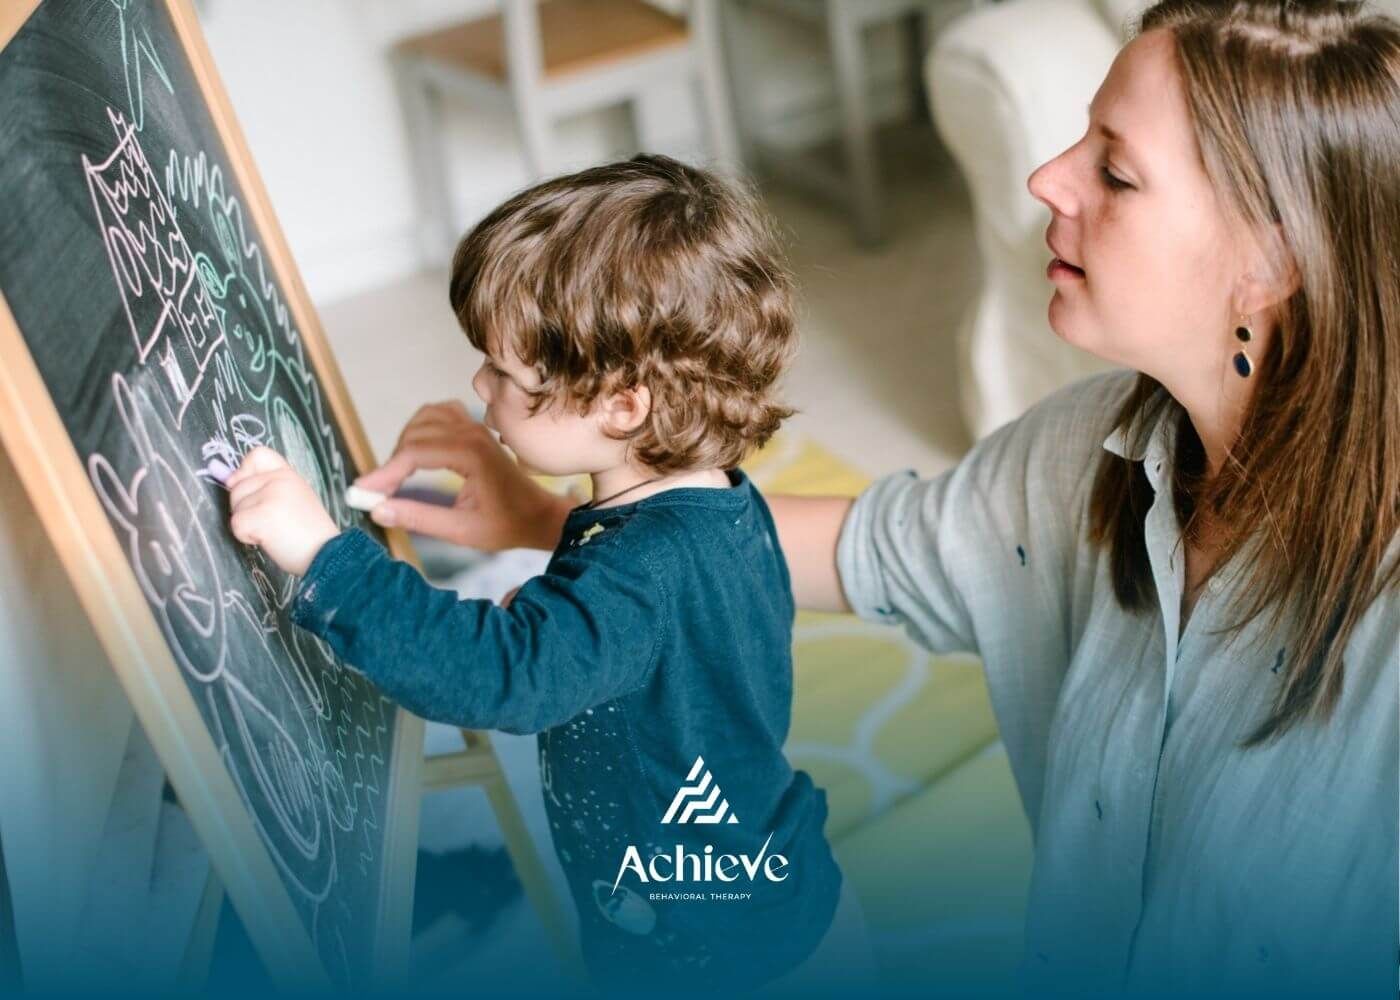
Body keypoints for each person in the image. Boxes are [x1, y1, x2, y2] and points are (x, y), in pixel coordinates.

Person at [349, 1, 1400, 995]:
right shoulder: (1091, 446)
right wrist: (554, 522)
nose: (1044, 177)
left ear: (1266, 261)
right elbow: (866, 548)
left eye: (1114, 173)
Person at [224, 155, 877, 995]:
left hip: (717, 951)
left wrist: (322, 553)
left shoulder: (644, 570)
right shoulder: (716, 509)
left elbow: (497, 675)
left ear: (623, 406)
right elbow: (653, 639)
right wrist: (564, 609)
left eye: (507, 374)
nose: (479, 384)